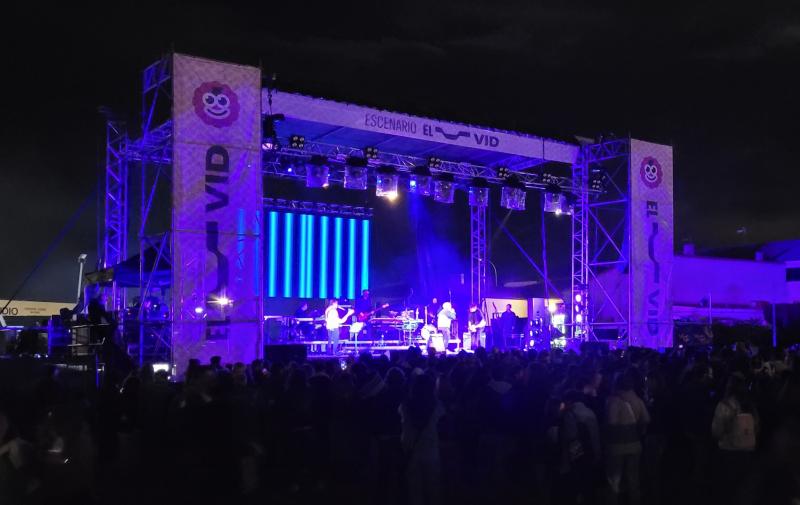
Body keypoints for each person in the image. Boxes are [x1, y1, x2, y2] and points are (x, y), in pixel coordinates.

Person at [711, 372, 758, 504]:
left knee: (727, 487)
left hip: (728, 450)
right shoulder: (750, 405)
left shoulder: (725, 406)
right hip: (747, 450)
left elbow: (716, 431)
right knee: (743, 486)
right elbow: (757, 426)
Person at [399, 373, 445, 505]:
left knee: (414, 490)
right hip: (431, 450)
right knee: (433, 489)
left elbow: (401, 424)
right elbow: (442, 428)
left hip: (410, 450)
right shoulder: (437, 405)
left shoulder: (405, 405)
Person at [605, 370, 650, 505]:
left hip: (617, 445)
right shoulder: (637, 400)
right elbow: (647, 419)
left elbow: (612, 423)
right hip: (635, 443)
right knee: (633, 478)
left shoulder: (614, 401)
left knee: (615, 479)